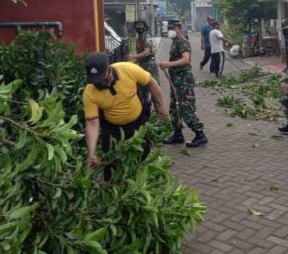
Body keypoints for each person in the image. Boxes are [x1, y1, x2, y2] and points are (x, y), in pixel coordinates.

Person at [83, 52, 168, 180]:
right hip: (112, 129)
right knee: (111, 162)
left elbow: (150, 82)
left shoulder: (128, 69)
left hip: (138, 123)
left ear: (109, 69)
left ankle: (137, 182)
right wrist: (91, 152)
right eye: (95, 80)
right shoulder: (90, 92)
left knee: (142, 155)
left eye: (102, 78)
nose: (99, 83)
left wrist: (161, 105)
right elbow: (92, 123)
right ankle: (113, 189)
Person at [160, 22, 208, 148]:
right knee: (174, 109)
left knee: (186, 108)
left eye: (173, 28)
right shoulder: (175, 42)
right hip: (176, 80)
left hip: (183, 80)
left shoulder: (182, 41)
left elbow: (186, 59)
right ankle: (177, 134)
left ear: (179, 28)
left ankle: (200, 135)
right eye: (169, 28)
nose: (171, 30)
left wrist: (167, 64)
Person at [126, 20, 160, 112]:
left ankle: (160, 114)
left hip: (150, 66)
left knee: (154, 92)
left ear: (145, 27)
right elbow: (140, 55)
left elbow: (146, 52)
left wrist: (133, 56)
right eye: (137, 25)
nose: (139, 27)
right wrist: (132, 62)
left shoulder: (146, 37)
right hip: (142, 65)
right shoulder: (139, 38)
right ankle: (145, 112)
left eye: (141, 25)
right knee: (142, 91)